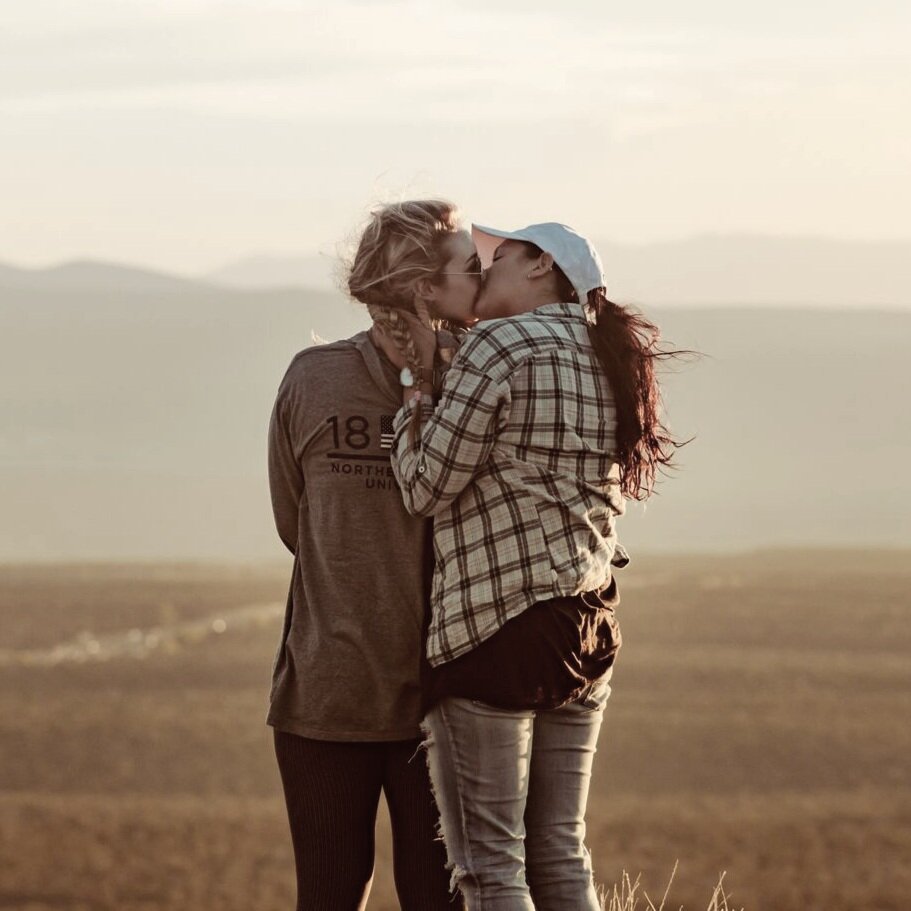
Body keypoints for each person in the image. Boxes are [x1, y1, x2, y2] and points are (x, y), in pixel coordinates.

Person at [375, 221, 684, 910]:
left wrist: (412, 406)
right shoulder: (611, 354)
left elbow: (425, 486)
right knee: (560, 852)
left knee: (490, 867)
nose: (484, 272)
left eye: (499, 258)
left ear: (543, 265)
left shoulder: (498, 343)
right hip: (588, 622)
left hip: (495, 625)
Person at [266, 199, 479, 911]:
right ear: (421, 284)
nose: (481, 281)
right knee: (327, 895)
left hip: (445, 702)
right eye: (468, 267)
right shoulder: (313, 378)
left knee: (439, 900)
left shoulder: (479, 382)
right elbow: (296, 523)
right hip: (326, 699)